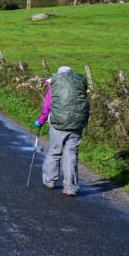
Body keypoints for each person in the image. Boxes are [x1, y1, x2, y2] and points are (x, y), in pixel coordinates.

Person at [35, 65, 91, 196]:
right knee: (71, 155)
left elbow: (47, 106)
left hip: (58, 124)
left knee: (55, 152)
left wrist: (40, 121)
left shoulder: (55, 86)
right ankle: (70, 187)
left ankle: (49, 180)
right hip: (76, 124)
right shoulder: (78, 86)